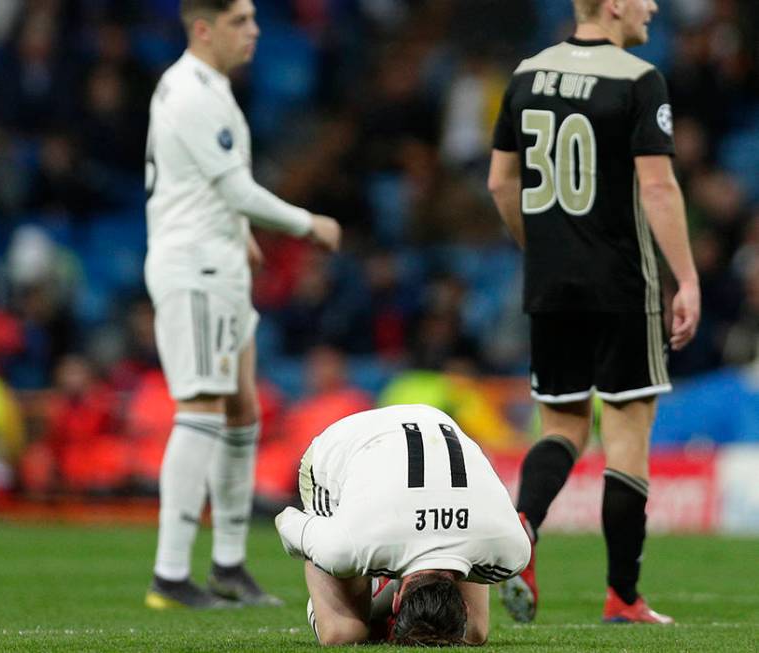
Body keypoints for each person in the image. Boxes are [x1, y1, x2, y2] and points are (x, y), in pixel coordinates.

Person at [487, 0, 700, 625]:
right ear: (612, 5)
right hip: (620, 283)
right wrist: (685, 277)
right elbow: (657, 187)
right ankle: (623, 597)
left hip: (550, 285)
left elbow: (502, 183)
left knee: (562, 426)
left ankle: (522, 526)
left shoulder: (526, 74)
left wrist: (543, 249)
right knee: (626, 432)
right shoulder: (639, 80)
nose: (653, 7)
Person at [144, 0, 341, 609]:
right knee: (200, 407)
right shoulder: (192, 92)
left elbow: (202, 184)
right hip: (195, 268)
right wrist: (307, 224)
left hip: (221, 262)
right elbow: (233, 187)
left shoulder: (211, 88)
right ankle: (170, 574)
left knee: (240, 409)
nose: (255, 31)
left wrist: (242, 236)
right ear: (204, 28)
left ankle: (228, 564)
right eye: (240, 21)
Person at [274, 404, 531, 646]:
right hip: (347, 440)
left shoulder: (512, 551)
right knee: (343, 633)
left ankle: (375, 588)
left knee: (473, 633)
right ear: (397, 602)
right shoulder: (349, 545)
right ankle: (375, 590)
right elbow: (288, 521)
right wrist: (327, 544)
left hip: (435, 423)